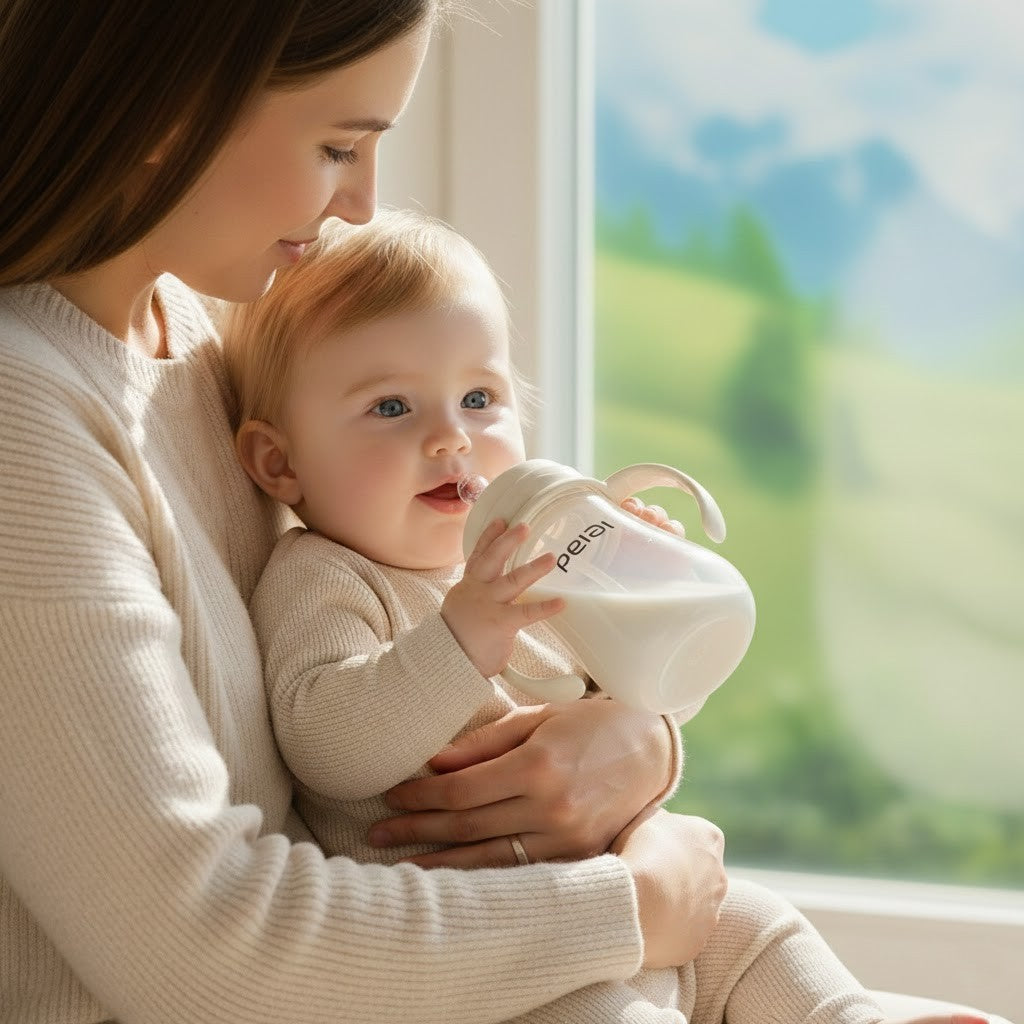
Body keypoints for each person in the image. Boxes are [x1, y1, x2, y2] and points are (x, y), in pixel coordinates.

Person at [0, 3, 992, 1024]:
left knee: (759, 930)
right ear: (173, 105)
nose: (360, 203)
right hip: (419, 961)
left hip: (476, 930)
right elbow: (205, 949)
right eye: (340, 144)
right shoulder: (27, 418)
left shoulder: (211, 337)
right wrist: (636, 904)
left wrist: (631, 741)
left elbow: (541, 673)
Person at [220, 207, 933, 1024]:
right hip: (511, 962)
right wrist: (462, 638)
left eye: (479, 397)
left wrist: (639, 584)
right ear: (280, 463)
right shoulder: (324, 575)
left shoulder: (529, 556)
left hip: (619, 892)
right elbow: (329, 748)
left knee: (756, 923)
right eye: (391, 408)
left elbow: (650, 693)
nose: (452, 439)